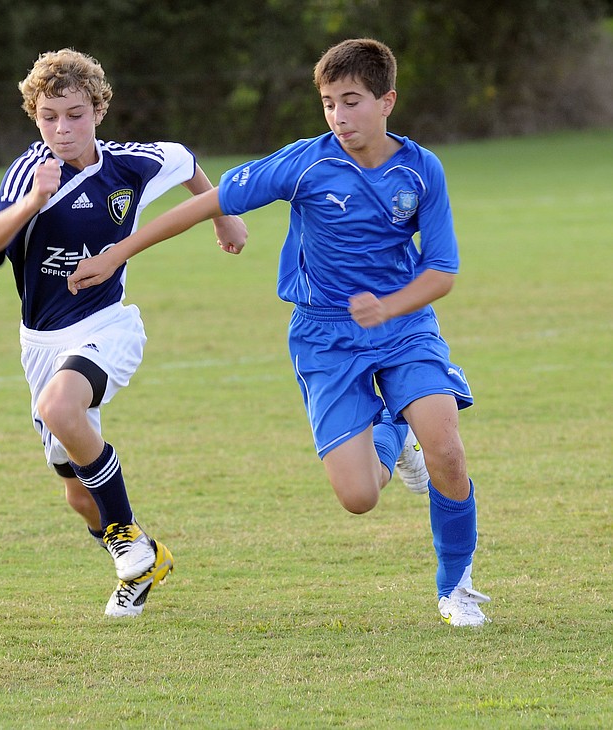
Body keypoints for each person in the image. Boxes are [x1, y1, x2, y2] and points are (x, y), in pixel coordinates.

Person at [68, 38, 491, 626]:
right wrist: (119, 252)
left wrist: (390, 306)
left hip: (404, 328)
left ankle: (457, 587)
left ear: (386, 100)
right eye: (327, 103)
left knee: (447, 449)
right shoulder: (306, 163)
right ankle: (395, 428)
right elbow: (206, 202)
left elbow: (442, 271)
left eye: (352, 102)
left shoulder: (421, 171)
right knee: (359, 497)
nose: (339, 117)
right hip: (323, 337)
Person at [0, 49, 247, 617]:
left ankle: (126, 542)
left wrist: (223, 216)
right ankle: (146, 556)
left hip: (108, 326)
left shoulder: (129, 165)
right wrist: (32, 202)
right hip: (40, 343)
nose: (61, 129)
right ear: (34, 115)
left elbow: (185, 159)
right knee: (77, 494)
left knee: (60, 408)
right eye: (48, 116)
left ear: (98, 109)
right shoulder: (31, 172)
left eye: (74, 114)